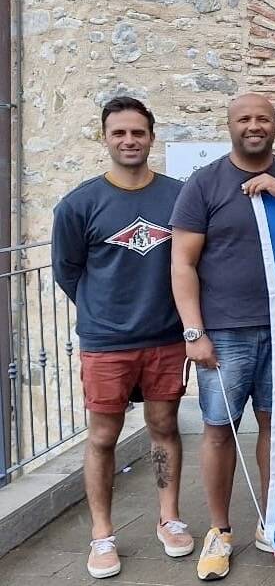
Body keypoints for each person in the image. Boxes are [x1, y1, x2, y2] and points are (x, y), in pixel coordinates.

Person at [170, 93, 275, 581]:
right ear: (230, 124)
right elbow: (182, 262)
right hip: (225, 331)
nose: (254, 125)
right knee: (220, 429)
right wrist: (193, 330)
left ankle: (272, 521)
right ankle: (219, 530)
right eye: (245, 118)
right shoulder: (205, 183)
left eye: (263, 118)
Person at [52, 97, 193, 579]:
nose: (129, 141)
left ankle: (169, 517)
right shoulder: (79, 204)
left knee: (164, 429)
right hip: (106, 342)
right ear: (106, 137)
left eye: (138, 132)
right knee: (104, 437)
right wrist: (102, 312)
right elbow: (68, 272)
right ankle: (102, 534)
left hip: (166, 337)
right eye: (119, 133)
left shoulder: (179, 196)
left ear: (152, 137)